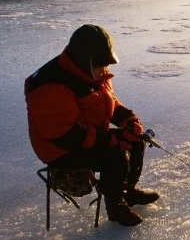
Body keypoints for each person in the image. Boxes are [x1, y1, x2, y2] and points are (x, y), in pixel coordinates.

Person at [25, 24, 159, 226]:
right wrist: (112, 139)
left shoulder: (91, 72)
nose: (104, 69)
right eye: (100, 64)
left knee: (135, 141)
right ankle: (115, 207)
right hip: (60, 149)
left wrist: (128, 120)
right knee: (115, 154)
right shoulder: (49, 85)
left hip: (88, 132)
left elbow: (105, 103)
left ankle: (127, 192)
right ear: (85, 59)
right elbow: (64, 135)